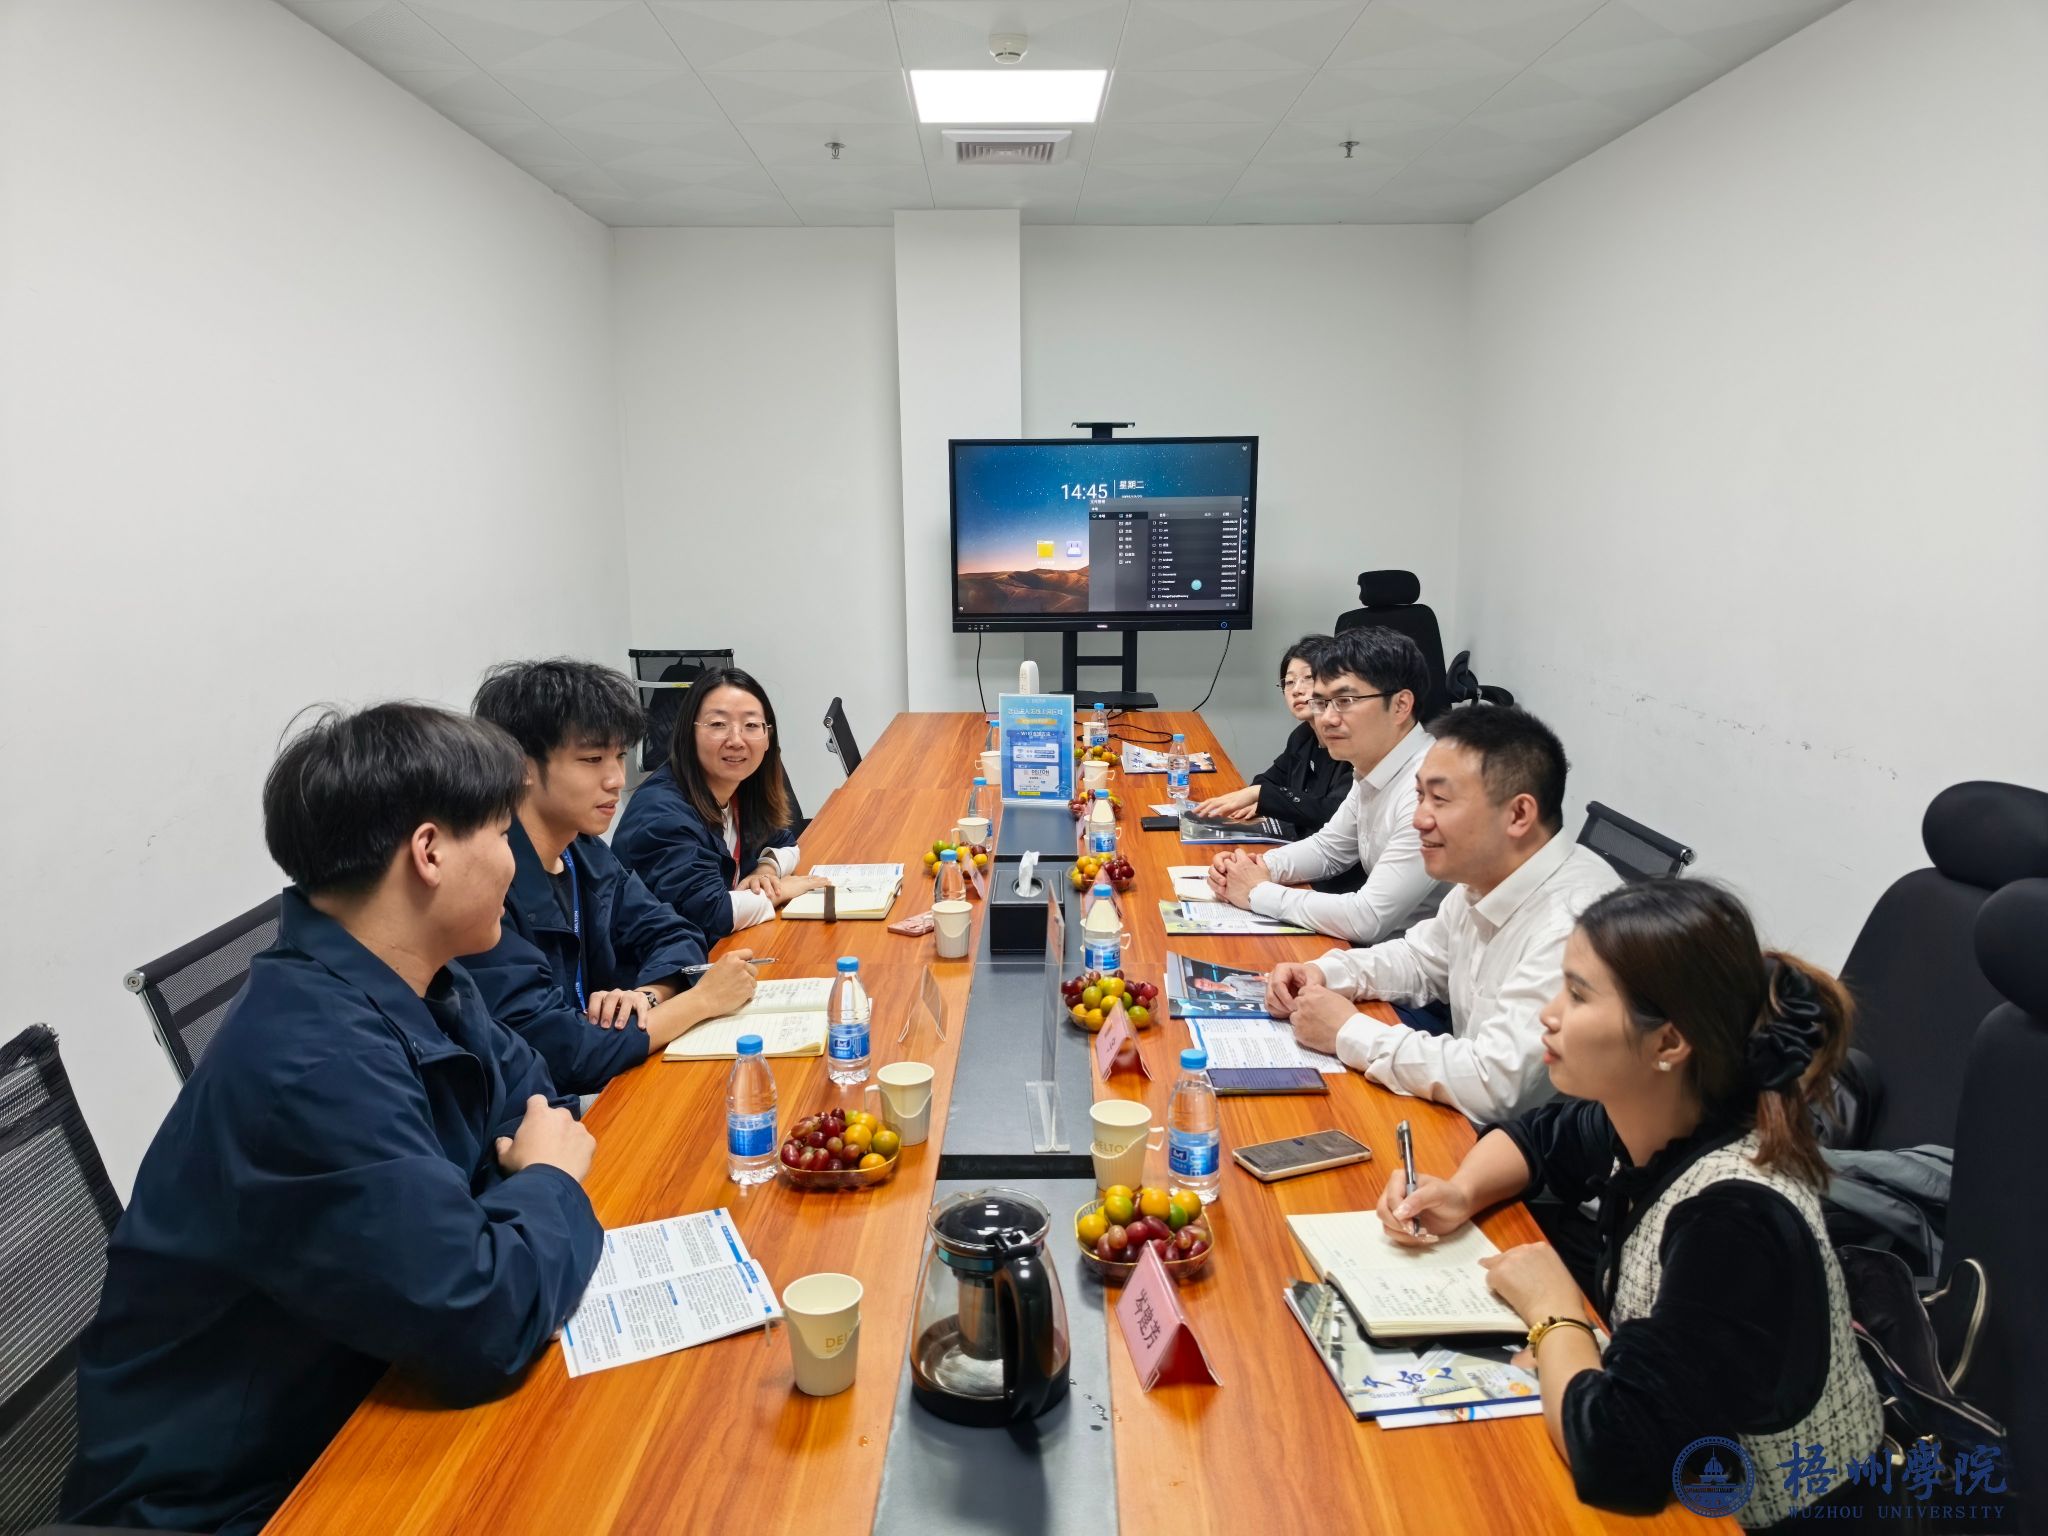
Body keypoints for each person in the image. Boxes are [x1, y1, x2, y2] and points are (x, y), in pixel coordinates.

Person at [63, 704, 605, 1536]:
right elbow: (481, 1319)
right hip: (239, 1501)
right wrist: (546, 1181)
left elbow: (536, 1100)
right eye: (502, 835)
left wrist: (515, 1197)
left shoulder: (423, 978)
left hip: (363, 1393)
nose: (514, 861)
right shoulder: (310, 1064)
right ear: (429, 853)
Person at [1376, 880, 1883, 1529]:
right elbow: (1541, 1138)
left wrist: (1554, 1312)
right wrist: (1461, 1191)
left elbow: (1619, 1457)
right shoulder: (1661, 1112)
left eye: (1579, 995)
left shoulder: (1736, 1219)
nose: (1549, 1014)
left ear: (1668, 1044)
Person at [1267, 706, 1620, 1123]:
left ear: (1519, 815)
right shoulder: (1485, 877)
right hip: (1468, 1114)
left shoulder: (1573, 923)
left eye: (1441, 799)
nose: (1419, 819)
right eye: (1419, 796)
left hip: (1534, 1142)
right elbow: (1421, 960)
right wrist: (1326, 972)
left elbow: (1495, 1084)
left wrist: (1347, 1031)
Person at [462, 659, 756, 1095]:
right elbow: (563, 1054)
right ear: (520, 766)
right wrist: (701, 1001)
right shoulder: (485, 888)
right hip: (543, 1111)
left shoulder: (581, 851)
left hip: (610, 1078)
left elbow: (674, 932)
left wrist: (646, 996)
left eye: (619, 756)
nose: (617, 779)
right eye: (591, 759)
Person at [1207, 626, 1445, 943]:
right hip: (1383, 955)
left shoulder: (1430, 789)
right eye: (1321, 702)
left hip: (1418, 964)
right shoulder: (1374, 767)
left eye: (1345, 700)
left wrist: (1255, 891)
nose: (1327, 719)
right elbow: (1329, 849)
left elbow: (1367, 918)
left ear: (1401, 705)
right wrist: (1255, 866)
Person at [614, 666, 827, 941]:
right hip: (672, 963)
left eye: (751, 725)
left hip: (721, 949)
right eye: (718, 725)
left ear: (767, 737)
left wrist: (766, 870)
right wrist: (781, 891)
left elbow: (787, 842)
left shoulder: (741, 788)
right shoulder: (661, 814)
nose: (736, 740)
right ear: (688, 733)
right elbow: (713, 913)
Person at [1192, 634, 1352, 834]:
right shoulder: (1302, 736)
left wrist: (1262, 796)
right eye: (1289, 682)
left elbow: (1333, 813)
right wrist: (1260, 798)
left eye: (1308, 678)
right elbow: (1267, 781)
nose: (1296, 690)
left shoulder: (1353, 743)